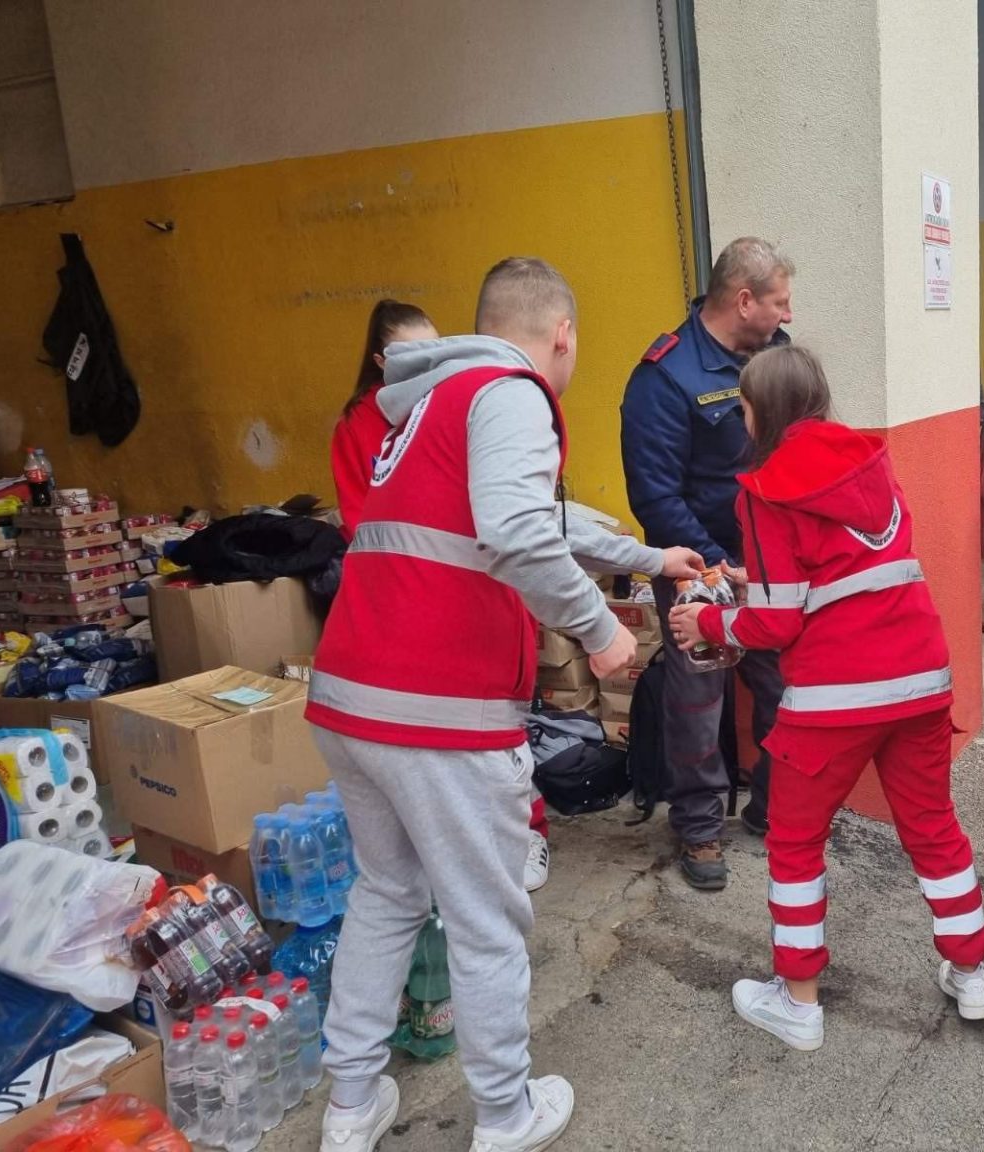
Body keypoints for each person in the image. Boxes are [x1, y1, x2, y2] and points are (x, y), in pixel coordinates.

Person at [308, 257, 702, 1152]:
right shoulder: (512, 392)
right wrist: (601, 631)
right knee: (486, 919)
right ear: (562, 334)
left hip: (352, 696)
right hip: (436, 707)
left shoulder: (431, 404)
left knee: (387, 892)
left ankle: (351, 1104)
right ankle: (503, 1114)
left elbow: (532, 519)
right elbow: (518, 530)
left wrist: (649, 558)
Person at [669, 345, 984, 1052]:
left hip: (836, 696)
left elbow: (777, 623)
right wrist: (758, 580)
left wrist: (710, 623)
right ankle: (971, 973)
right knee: (933, 826)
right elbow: (848, 568)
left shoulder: (763, 489)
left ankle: (798, 999)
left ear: (763, 412)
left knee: (794, 840)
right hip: (921, 676)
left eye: (744, 409)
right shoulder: (873, 462)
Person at [328, 298, 559, 894]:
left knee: (391, 891)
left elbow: (517, 518)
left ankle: (524, 831)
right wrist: (600, 627)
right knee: (452, 895)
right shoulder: (367, 423)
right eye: (411, 351)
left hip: (469, 605)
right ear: (379, 361)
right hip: (413, 612)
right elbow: (368, 522)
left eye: (434, 345)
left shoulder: (455, 399)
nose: (429, 359)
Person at [621, 237, 793, 890]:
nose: (788, 314)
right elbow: (655, 496)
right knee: (698, 699)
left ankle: (773, 808)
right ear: (744, 300)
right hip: (697, 567)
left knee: (784, 690)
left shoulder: (775, 355)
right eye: (779, 302)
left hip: (769, 564)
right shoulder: (664, 377)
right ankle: (698, 827)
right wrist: (721, 569)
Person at [331, 300, 437, 544]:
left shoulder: (450, 403)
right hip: (386, 555)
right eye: (412, 359)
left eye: (434, 353)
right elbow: (356, 512)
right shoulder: (355, 424)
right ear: (381, 362)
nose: (428, 368)